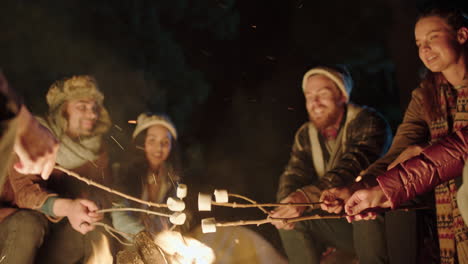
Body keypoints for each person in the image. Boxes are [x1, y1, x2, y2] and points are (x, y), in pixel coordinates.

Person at [328, 7, 468, 264]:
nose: (424, 49)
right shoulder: (427, 95)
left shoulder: (366, 121)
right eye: (418, 43)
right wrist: (360, 187)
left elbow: (461, 148)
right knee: (381, 204)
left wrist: (424, 151)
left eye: (433, 37)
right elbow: (399, 150)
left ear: (461, 35)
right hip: (441, 190)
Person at [270, 65, 392, 264]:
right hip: (341, 224)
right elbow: (293, 174)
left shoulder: (369, 122)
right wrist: (287, 203)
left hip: (378, 218)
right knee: (291, 221)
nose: (315, 103)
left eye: (323, 94)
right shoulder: (305, 134)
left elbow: (351, 165)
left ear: (342, 97)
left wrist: (306, 196)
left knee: (363, 209)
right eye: (309, 96)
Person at [0, 75, 114, 264]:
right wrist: (69, 207)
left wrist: (95, 206)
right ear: (63, 110)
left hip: (54, 229)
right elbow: (25, 192)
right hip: (12, 225)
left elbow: (102, 189)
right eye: (82, 107)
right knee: (29, 223)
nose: (92, 114)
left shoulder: (98, 151)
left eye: (94, 108)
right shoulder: (34, 138)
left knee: (93, 232)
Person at [112, 112, 188, 237]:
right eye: (152, 140)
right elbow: (119, 215)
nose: (159, 148)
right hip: (125, 240)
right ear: (142, 142)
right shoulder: (122, 173)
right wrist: (146, 237)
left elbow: (171, 219)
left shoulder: (172, 179)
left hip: (158, 242)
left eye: (165, 142)